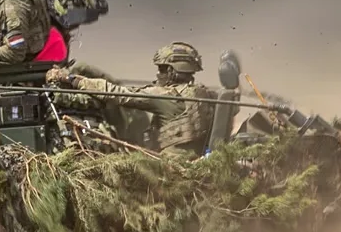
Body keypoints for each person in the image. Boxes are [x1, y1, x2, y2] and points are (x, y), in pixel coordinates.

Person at [46, 42, 216, 157]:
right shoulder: (205, 94)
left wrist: (70, 79)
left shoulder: (165, 95)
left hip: (169, 168)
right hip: (192, 161)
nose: (158, 74)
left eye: (162, 69)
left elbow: (117, 93)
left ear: (172, 71)